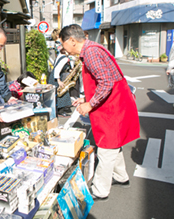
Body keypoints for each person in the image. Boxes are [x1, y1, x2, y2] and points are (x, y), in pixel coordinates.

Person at [59, 24, 140, 201]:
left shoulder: (91, 53)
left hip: (113, 107)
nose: (63, 48)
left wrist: (90, 104)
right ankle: (121, 177)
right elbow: (103, 81)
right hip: (114, 104)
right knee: (113, 145)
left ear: (72, 41)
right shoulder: (92, 49)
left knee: (106, 148)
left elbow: (106, 82)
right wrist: (86, 99)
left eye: (63, 43)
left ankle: (100, 190)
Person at [52, 49, 73, 116]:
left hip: (54, 77)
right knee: (62, 93)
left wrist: (69, 70)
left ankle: (60, 109)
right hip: (56, 78)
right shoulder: (65, 59)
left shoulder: (59, 56)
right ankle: (61, 110)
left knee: (59, 93)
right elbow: (57, 69)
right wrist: (59, 81)